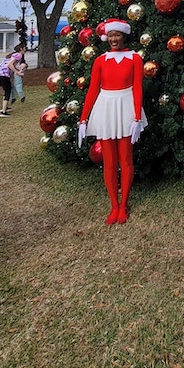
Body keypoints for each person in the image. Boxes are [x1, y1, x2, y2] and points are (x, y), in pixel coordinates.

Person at [78, 19, 147, 225]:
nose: (114, 39)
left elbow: (137, 88)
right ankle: (114, 206)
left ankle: (124, 204)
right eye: (111, 35)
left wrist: (136, 117)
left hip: (126, 108)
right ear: (106, 37)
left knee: (125, 159)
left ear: (123, 36)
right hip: (105, 109)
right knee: (109, 161)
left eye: (117, 35)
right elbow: (92, 89)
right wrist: (83, 119)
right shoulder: (100, 60)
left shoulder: (134, 58)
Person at [0, 48, 21, 117]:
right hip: (3, 76)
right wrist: (17, 72)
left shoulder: (5, 60)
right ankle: (3, 112)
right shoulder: (12, 61)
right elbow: (10, 66)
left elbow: (10, 72)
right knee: (8, 91)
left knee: (6, 90)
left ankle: (5, 107)